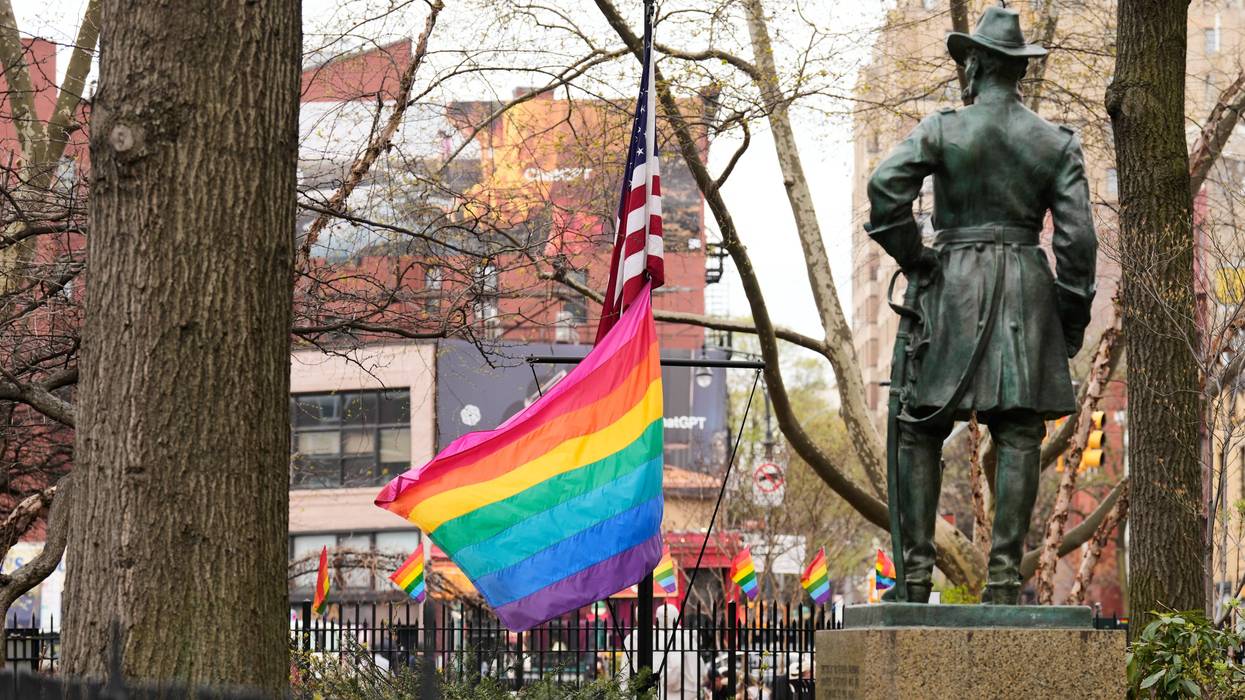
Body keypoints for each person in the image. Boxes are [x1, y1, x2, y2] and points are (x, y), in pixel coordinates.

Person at [865, 6, 1096, 604]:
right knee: (1019, 434)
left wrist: (914, 256)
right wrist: (1067, 324)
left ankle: (914, 579)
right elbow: (1078, 243)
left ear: (976, 65)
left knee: (919, 428)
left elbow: (885, 188)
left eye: (966, 61)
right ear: (1015, 71)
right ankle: (1001, 581)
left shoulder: (944, 129)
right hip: (1025, 286)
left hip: (952, 284)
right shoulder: (1055, 143)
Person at [620, 603, 704, 698]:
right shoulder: (684, 635)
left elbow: (675, 667)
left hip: (675, 689)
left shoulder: (675, 637)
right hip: (682, 688)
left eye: (658, 617)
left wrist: (663, 679)